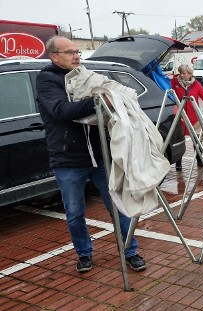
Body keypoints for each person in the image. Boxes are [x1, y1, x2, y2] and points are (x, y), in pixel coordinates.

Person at [36, 36, 147, 272]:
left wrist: (112, 99)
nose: (77, 55)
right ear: (54, 56)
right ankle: (84, 254)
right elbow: (61, 110)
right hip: (68, 160)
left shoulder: (86, 75)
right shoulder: (47, 80)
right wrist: (99, 99)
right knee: (75, 213)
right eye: (70, 52)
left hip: (99, 156)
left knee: (118, 206)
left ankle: (131, 250)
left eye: (77, 51)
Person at [170, 64, 203, 170]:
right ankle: (178, 163)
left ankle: (199, 159)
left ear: (190, 74)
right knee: (179, 139)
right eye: (180, 73)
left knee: (196, 139)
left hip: (193, 116)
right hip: (180, 116)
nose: (182, 75)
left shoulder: (196, 84)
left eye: (184, 73)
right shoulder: (173, 83)